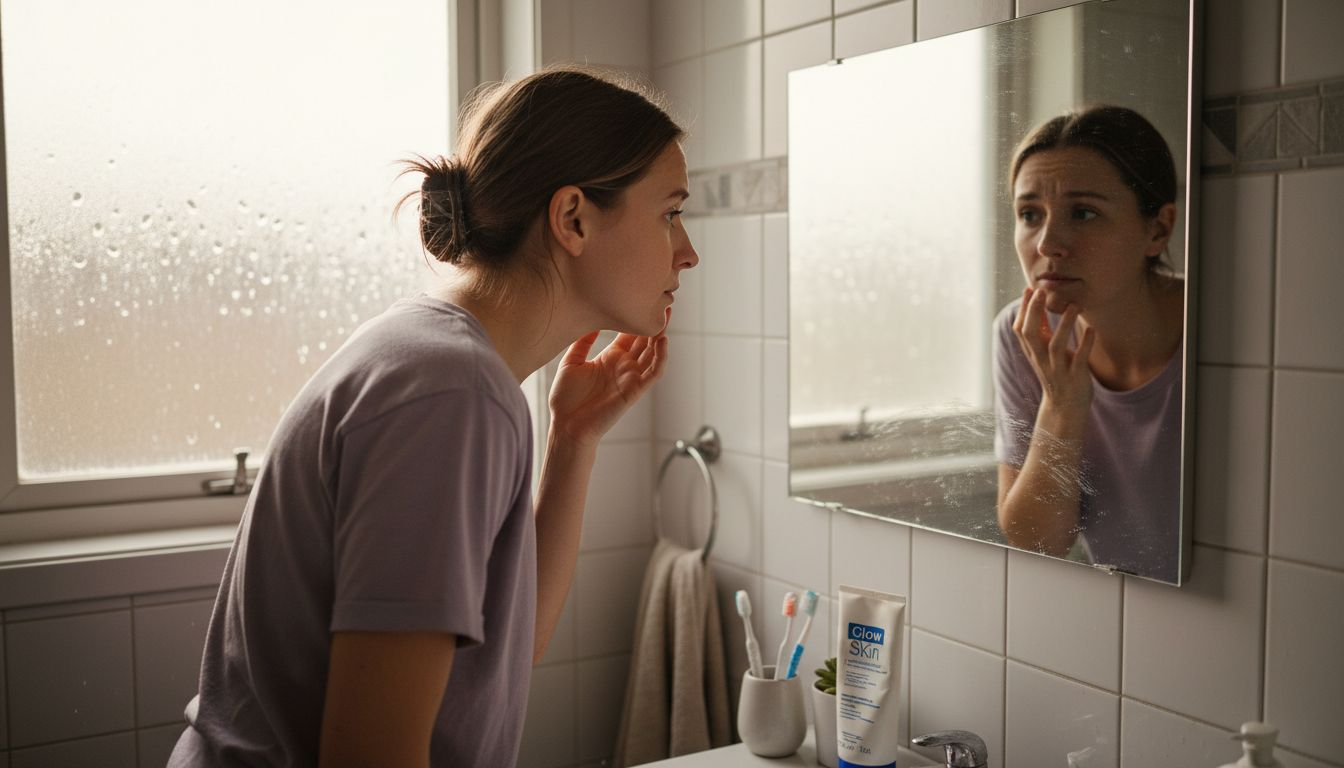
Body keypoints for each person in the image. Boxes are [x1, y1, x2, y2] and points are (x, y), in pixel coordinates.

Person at [168, 66, 698, 767]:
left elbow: (511, 644)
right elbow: (371, 756)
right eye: (670, 213)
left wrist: (574, 439)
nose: (688, 252)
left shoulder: (437, 359)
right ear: (573, 218)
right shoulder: (452, 395)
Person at [993, 105, 1182, 581]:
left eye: (1083, 213)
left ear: (1158, 229)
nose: (1047, 243)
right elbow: (1038, 541)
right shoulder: (1023, 333)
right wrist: (1061, 405)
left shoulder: (1225, 328)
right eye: (1029, 214)